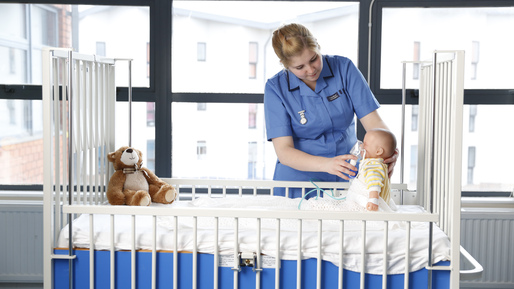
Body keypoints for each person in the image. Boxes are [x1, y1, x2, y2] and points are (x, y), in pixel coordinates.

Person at [264, 23, 398, 198]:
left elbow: (374, 122)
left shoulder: (344, 68)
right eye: (299, 67)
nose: (311, 70)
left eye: (314, 59)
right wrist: (326, 164)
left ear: (318, 46)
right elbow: (284, 152)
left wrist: (388, 150)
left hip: (347, 175)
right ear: (285, 65)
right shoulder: (276, 88)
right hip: (298, 181)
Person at [349, 128, 397, 211]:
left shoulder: (373, 165)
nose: (361, 146)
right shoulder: (379, 164)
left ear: (378, 151)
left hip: (366, 202)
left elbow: (374, 183)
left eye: (365, 144)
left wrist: (373, 200)